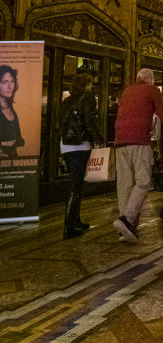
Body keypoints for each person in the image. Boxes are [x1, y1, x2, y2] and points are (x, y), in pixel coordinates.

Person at [113, 68, 163, 242]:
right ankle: (127, 219)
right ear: (150, 80)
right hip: (139, 141)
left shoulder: (127, 91)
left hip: (119, 142)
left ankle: (126, 229)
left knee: (124, 184)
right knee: (143, 182)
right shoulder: (152, 90)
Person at [59, 72, 103, 239]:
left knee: (75, 183)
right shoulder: (88, 98)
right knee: (76, 186)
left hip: (66, 146)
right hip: (80, 144)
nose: (92, 86)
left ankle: (76, 220)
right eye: (91, 83)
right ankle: (69, 226)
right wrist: (98, 138)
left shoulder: (66, 100)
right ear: (85, 84)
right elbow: (90, 120)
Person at [0, 65, 24, 159]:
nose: (9, 86)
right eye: (5, 82)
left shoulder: (10, 108)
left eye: (12, 81)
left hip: (13, 155)